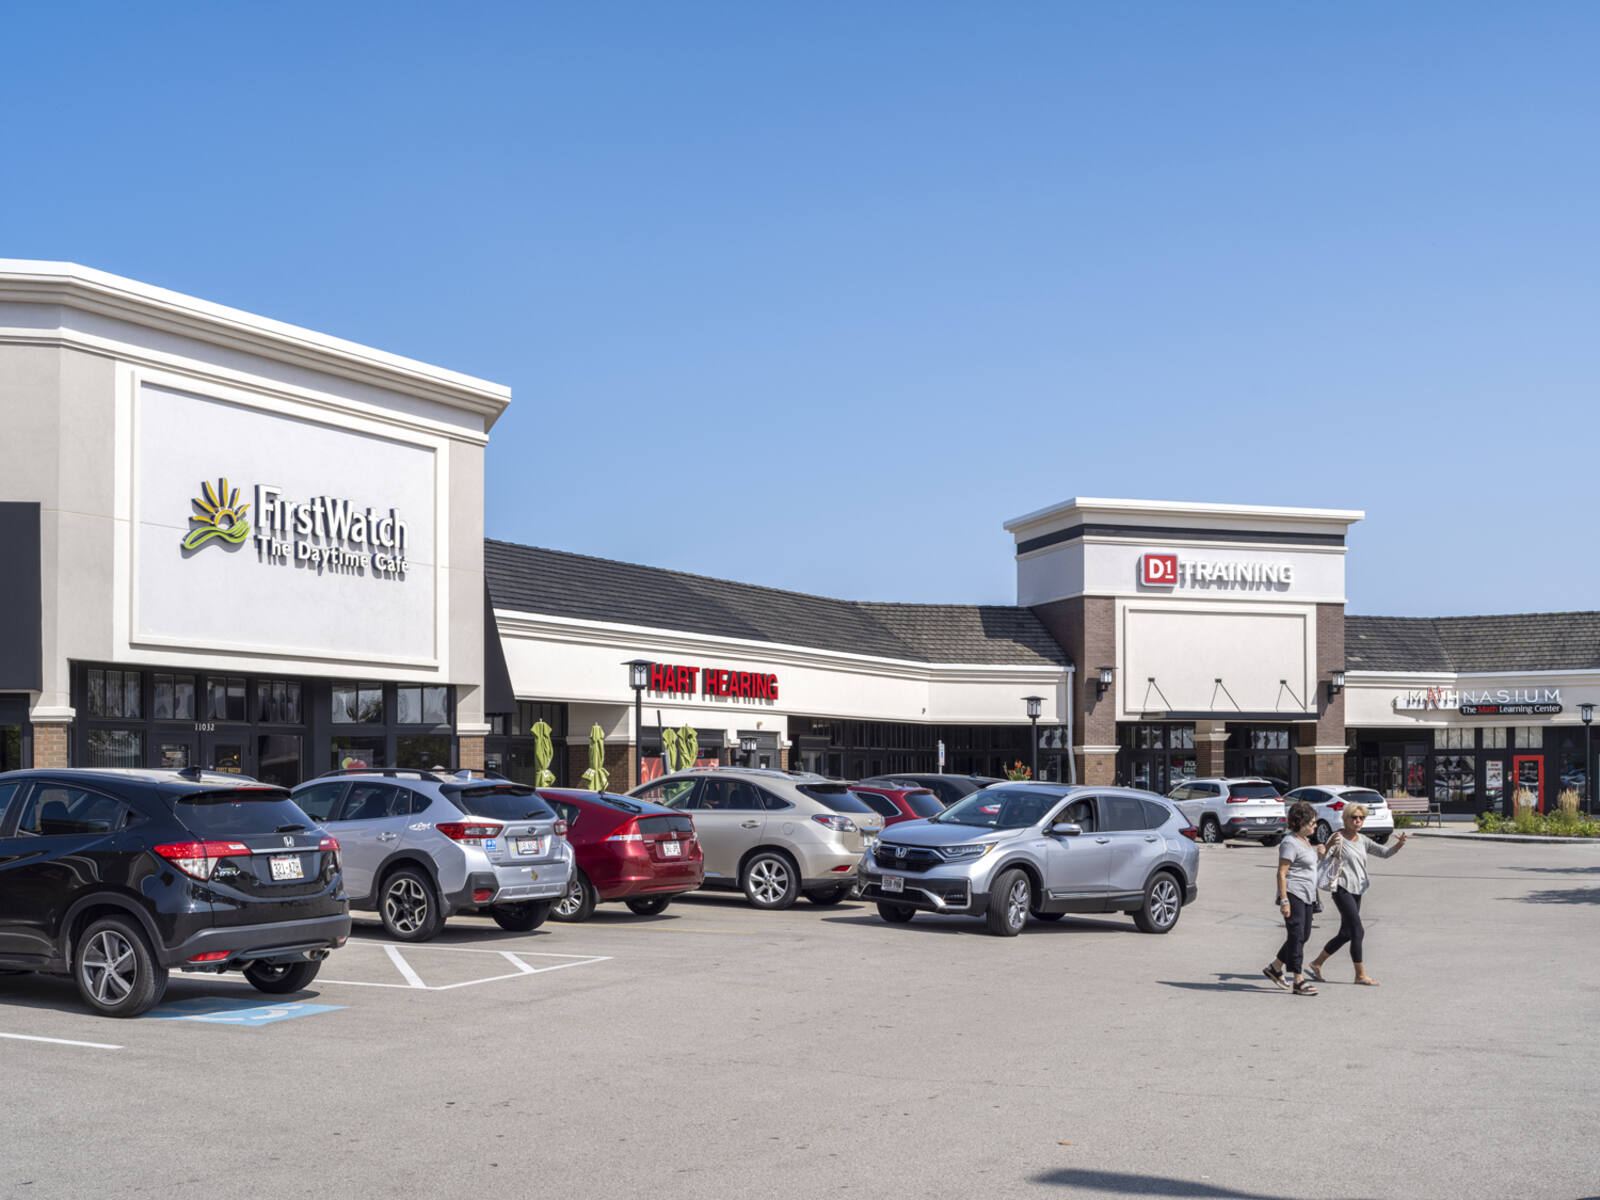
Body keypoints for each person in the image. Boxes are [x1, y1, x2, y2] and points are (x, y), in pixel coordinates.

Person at [1306, 805, 1409, 986]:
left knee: (1346, 933)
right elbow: (1322, 858)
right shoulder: (1337, 837)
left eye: (1361, 818)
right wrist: (1326, 847)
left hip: (1357, 890)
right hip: (1342, 889)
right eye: (1354, 817)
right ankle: (1360, 975)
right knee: (1358, 931)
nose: (1358, 821)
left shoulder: (1362, 840)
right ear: (1345, 819)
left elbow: (1384, 853)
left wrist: (1398, 845)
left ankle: (1317, 963)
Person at [1263, 801, 1331, 996]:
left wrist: (1320, 855)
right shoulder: (1289, 843)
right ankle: (1298, 980)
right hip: (1294, 894)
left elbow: (1307, 867)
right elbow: (1281, 873)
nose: (1315, 825)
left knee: (1304, 935)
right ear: (1300, 822)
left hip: (1308, 895)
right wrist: (1284, 900)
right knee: (1296, 935)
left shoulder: (1305, 841)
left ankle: (1275, 967)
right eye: (1312, 822)